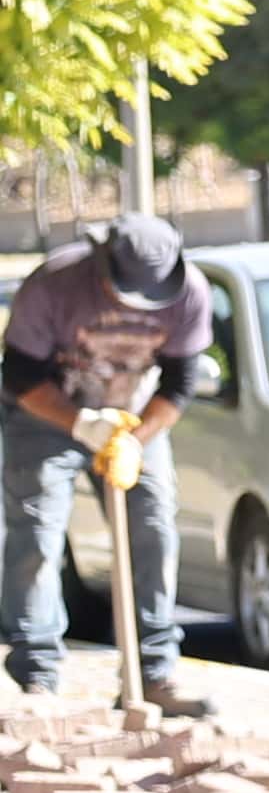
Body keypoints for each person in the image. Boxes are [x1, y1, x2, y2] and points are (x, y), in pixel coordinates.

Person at [4, 217, 206, 702]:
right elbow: (18, 375)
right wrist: (80, 424)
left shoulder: (191, 294)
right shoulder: (53, 285)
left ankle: (154, 672)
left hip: (133, 418)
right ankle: (38, 674)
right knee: (38, 533)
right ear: (102, 264)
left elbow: (180, 385)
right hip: (46, 418)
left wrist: (135, 438)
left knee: (154, 527)